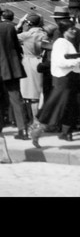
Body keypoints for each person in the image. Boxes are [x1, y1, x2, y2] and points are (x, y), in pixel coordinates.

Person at [0, 2, 29, 140]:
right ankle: (23, 129)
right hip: (13, 67)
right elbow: (17, 47)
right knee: (16, 98)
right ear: (0, 13)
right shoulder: (10, 28)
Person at [30, 19, 80, 147]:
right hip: (63, 79)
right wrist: (77, 62)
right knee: (54, 107)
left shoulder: (67, 43)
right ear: (65, 31)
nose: (74, 31)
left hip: (70, 79)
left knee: (69, 106)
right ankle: (36, 132)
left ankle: (66, 132)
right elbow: (60, 62)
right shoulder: (60, 43)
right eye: (71, 29)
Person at [16, 12, 48, 122]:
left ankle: (35, 120)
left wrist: (19, 25)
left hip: (29, 63)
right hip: (42, 61)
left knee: (32, 96)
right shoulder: (45, 34)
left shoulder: (25, 35)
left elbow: (8, 36)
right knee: (41, 93)